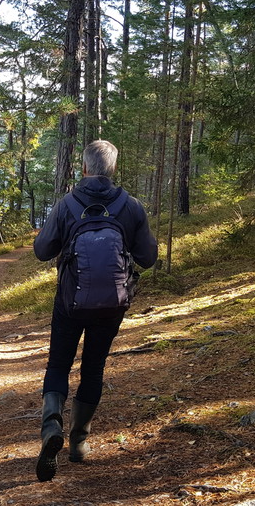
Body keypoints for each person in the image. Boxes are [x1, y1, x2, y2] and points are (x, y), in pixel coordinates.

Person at [32, 139, 158, 482]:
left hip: (70, 301)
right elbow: (148, 258)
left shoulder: (67, 204)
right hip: (111, 305)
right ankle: (78, 444)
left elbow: (42, 251)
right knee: (93, 367)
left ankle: (49, 430)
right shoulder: (130, 206)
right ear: (113, 169)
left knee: (58, 363)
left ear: (84, 168)